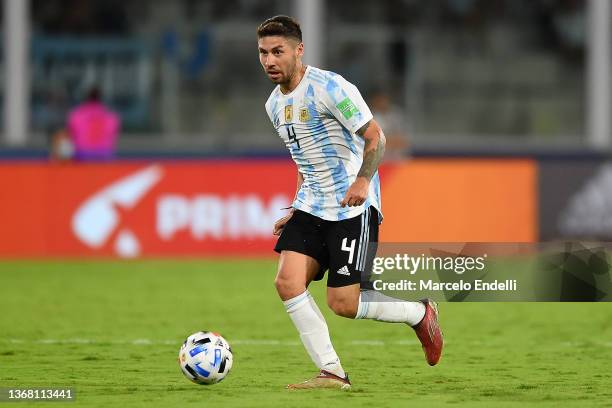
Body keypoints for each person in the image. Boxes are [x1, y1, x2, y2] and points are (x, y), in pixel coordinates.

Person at [258, 15, 443, 390]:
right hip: (311, 207)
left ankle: (419, 313)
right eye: (263, 53)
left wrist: (362, 180)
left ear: (299, 50)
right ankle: (332, 373)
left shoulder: (331, 87)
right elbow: (303, 158)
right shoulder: (274, 105)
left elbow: (377, 138)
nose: (269, 61)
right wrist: (296, 205)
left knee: (344, 303)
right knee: (287, 283)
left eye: (278, 51)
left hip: (351, 208)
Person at [67, 87, 120, 161]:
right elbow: (113, 136)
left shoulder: (76, 115)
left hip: (82, 156)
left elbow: (71, 135)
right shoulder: (111, 117)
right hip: (105, 156)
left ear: (86, 98)